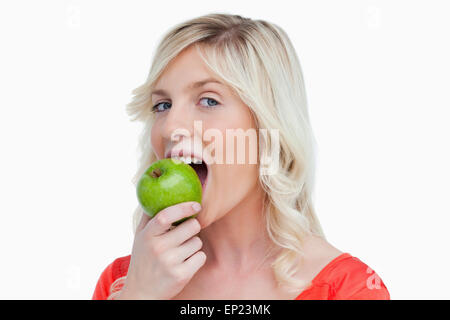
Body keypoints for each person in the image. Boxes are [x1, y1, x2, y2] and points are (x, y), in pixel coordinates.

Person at [92, 13, 390, 300]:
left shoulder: (349, 289)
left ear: (267, 127)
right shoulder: (124, 282)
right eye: (162, 105)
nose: (170, 127)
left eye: (208, 100)